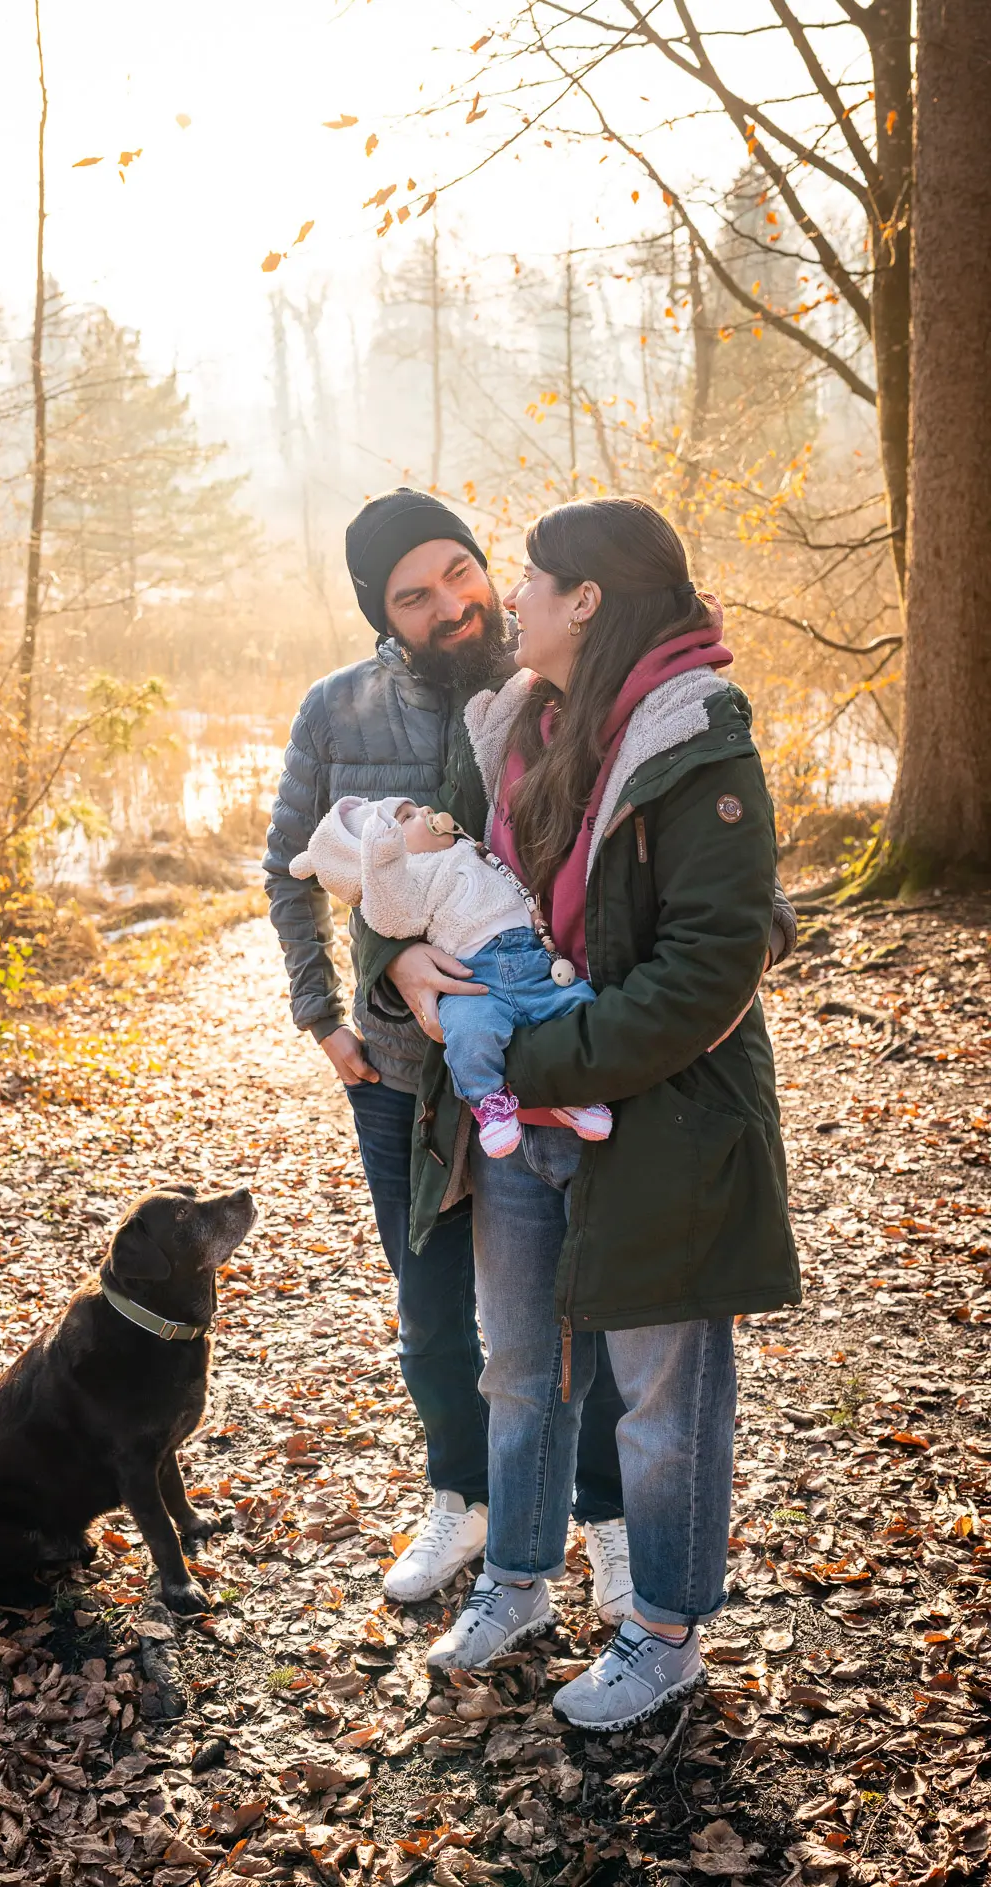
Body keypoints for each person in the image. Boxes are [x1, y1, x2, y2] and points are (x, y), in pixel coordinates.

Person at [408, 497, 801, 1733]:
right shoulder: (512, 727)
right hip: (522, 1119)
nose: (508, 597)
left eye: (530, 577)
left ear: (584, 600)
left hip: (657, 1118)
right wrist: (401, 967)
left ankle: (665, 1634)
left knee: (662, 1400)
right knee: (521, 1370)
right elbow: (433, 877)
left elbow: (706, 969)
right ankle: (518, 1580)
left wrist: (532, 1059)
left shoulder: (697, 739)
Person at [263, 487, 641, 1617]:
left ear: (486, 567)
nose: (449, 606)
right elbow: (288, 867)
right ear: (381, 615)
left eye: (459, 573)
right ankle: (462, 1500)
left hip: (548, 1055)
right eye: (412, 596)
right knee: (431, 1309)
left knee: (577, 1299)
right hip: (396, 1073)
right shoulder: (336, 712)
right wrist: (325, 1015)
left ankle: (608, 1516)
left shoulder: (554, 684)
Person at [286, 786, 612, 1158]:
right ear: (386, 853)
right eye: (406, 819)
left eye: (415, 809)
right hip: (473, 977)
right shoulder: (407, 882)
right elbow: (390, 917)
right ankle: (489, 1103)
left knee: (577, 1004)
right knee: (467, 1031)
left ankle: (574, 1094)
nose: (425, 810)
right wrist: (384, 866)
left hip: (529, 961)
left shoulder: (467, 846)